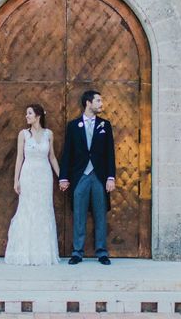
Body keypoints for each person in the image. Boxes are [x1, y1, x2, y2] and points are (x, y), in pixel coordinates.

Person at [59, 90, 116, 265]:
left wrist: (111, 177)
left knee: (100, 214)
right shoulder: (73, 126)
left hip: (99, 176)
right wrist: (64, 177)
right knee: (79, 214)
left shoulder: (105, 125)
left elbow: (110, 154)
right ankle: (77, 252)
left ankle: (102, 252)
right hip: (80, 176)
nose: (101, 104)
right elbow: (67, 153)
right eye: (98, 101)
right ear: (88, 103)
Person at [4, 104, 61, 265]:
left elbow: (52, 157)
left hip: (44, 175)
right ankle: (24, 252)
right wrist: (16, 180)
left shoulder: (48, 134)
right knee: (27, 209)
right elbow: (19, 158)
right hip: (28, 174)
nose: (26, 116)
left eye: (29, 113)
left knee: (43, 210)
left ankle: (42, 253)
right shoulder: (23, 134)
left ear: (38, 116)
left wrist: (61, 177)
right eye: (26, 113)